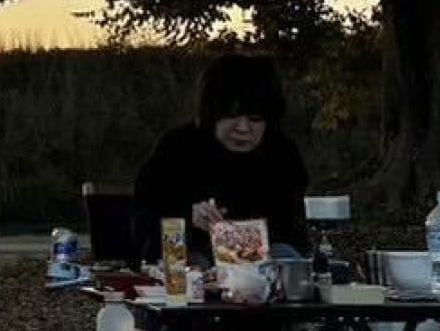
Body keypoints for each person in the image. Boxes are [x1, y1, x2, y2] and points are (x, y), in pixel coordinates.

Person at [132, 52, 308, 264]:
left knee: (288, 259)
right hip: (194, 259)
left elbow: (294, 230)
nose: (243, 129)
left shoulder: (283, 154)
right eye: (232, 116)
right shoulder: (177, 149)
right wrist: (187, 217)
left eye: (255, 119)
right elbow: (143, 221)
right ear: (211, 114)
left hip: (265, 263)